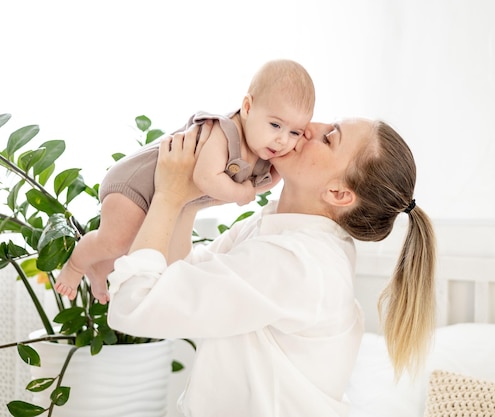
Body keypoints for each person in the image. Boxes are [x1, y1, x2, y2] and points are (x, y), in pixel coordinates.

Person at [107, 118, 437, 417]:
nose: (310, 126)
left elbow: (135, 304)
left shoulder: (298, 263)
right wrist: (193, 195)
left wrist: (168, 195)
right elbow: (178, 274)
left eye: (329, 138)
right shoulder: (278, 231)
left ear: (338, 193)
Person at [54, 59, 315, 304]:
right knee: (116, 240)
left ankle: (99, 269)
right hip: (135, 183)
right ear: (247, 108)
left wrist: (272, 177)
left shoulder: (263, 151)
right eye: (275, 125)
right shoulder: (223, 132)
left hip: (167, 196)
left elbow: (261, 184)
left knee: (148, 250)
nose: (283, 140)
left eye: (295, 132)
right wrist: (242, 192)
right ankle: (76, 265)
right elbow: (205, 178)